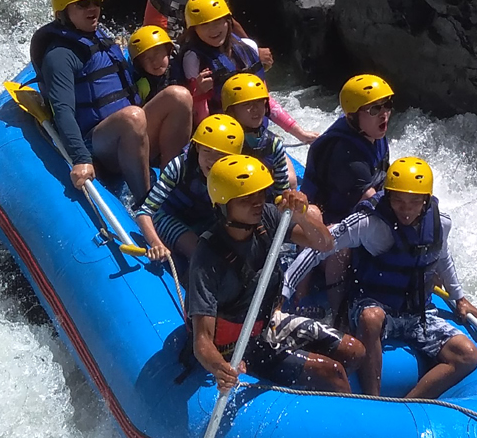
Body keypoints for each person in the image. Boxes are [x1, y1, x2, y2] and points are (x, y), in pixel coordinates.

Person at [185, 154, 363, 392]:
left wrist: (302, 216)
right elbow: (202, 342)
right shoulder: (208, 257)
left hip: (266, 326)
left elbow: (325, 243)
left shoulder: (267, 217)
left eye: (259, 193)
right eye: (247, 198)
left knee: (355, 352)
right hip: (234, 346)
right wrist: (221, 368)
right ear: (225, 203)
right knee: (333, 373)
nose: (257, 202)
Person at [319, 157, 477, 399]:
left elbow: (443, 258)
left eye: (414, 202)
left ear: (425, 201)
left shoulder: (439, 224)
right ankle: (373, 398)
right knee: (371, 318)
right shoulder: (372, 223)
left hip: (417, 314)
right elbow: (322, 246)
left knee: (469, 355)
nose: (406, 209)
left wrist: (459, 298)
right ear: (388, 197)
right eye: (399, 201)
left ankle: (408, 404)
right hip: (374, 305)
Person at [30, 0, 194, 203]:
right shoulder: (60, 56)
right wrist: (80, 158)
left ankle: (172, 187)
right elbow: (62, 110)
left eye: (96, 2)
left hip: (131, 132)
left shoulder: (100, 37)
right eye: (82, 4)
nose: (92, 9)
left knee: (179, 96)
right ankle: (146, 203)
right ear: (63, 11)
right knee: (132, 117)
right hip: (98, 143)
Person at [297, 73, 395, 309]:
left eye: (387, 105)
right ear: (353, 116)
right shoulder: (346, 155)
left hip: (350, 213)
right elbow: (376, 202)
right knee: (342, 247)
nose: (383, 114)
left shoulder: (373, 135)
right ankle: (334, 309)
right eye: (373, 109)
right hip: (325, 229)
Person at [180, 0, 317, 141]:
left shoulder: (248, 47)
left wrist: (299, 133)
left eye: (218, 22)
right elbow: (198, 118)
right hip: (220, 134)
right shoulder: (193, 59)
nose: (213, 30)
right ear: (194, 30)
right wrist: (200, 94)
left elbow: (265, 99)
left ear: (228, 21)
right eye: (204, 25)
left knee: (285, 163)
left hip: (255, 131)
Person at [134, 113, 244, 265]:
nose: (212, 160)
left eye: (220, 155)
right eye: (207, 151)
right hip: (167, 217)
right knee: (197, 250)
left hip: (206, 221)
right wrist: (156, 244)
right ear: (197, 147)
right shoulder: (179, 167)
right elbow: (144, 212)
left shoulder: (236, 178)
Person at [221, 73, 298, 198]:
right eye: (247, 104)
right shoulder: (223, 142)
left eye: (259, 102)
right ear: (231, 111)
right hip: (233, 203)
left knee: (292, 182)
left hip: (263, 204)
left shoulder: (274, 144)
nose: (255, 109)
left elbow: (281, 190)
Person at [128, 25, 180, 103]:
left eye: (157, 54)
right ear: (140, 65)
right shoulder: (143, 86)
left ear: (168, 51)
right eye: (146, 59)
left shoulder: (178, 69)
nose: (154, 62)